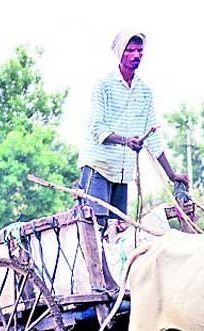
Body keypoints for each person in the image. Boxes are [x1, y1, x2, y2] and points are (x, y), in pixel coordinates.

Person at [78, 30, 190, 236]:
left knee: (119, 229)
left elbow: (153, 135)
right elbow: (97, 127)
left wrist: (172, 175)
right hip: (98, 166)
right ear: (120, 54)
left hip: (123, 172)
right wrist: (125, 141)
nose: (136, 55)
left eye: (139, 51)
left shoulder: (144, 91)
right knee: (96, 225)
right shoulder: (104, 85)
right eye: (130, 51)